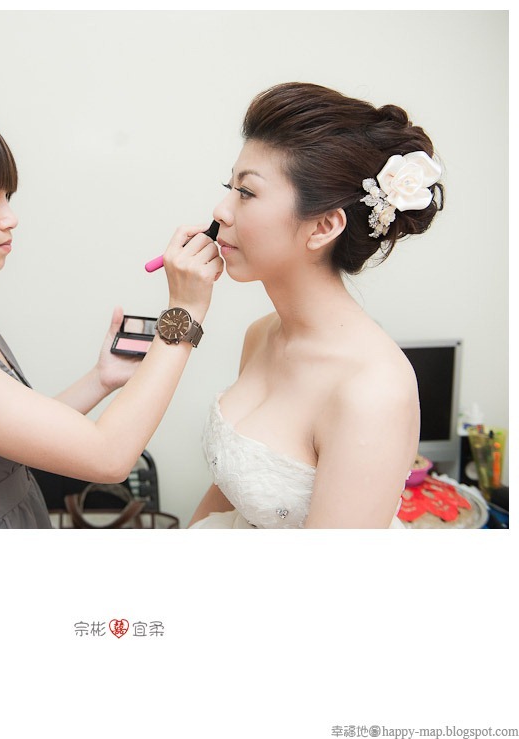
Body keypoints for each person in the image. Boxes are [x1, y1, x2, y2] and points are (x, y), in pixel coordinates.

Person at [0, 99, 222, 528]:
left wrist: (100, 378)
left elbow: (9, 436)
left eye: (7, 197)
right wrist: (184, 311)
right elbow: (109, 457)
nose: (10, 218)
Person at [189, 82, 443, 529]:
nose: (221, 211)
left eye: (246, 193)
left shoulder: (374, 390)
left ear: (324, 226)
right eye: (229, 187)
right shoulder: (262, 334)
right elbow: (230, 488)